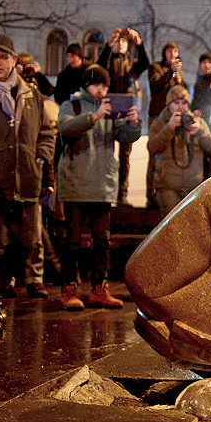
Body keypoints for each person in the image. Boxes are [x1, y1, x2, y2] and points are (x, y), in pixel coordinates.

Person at [56, 65, 141, 310]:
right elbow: (66, 128)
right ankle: (69, 288)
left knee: (102, 242)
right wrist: (94, 116)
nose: (100, 89)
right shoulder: (70, 106)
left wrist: (133, 124)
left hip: (103, 184)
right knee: (72, 242)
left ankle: (99, 288)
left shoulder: (110, 109)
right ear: (85, 85)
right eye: (96, 85)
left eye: (104, 85)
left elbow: (125, 136)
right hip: (75, 184)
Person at [0, 32, 56, 337]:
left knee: (28, 243)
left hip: (27, 181)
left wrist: (42, 157)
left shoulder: (32, 95)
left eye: (3, 57)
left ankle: (0, 286)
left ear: (15, 61)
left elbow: (46, 131)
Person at [97, 27, 149, 204]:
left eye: (123, 42)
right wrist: (108, 43)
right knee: (105, 150)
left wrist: (139, 42)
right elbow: (99, 64)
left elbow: (146, 63)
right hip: (109, 105)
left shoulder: (132, 64)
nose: (120, 45)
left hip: (126, 106)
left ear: (128, 47)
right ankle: (105, 191)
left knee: (125, 154)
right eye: (117, 42)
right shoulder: (107, 62)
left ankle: (123, 193)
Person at [148, 86, 211, 216]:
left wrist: (199, 132)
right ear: (169, 105)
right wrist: (169, 128)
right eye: (176, 103)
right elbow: (152, 148)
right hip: (168, 187)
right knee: (171, 227)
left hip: (193, 187)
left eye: (184, 103)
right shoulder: (160, 123)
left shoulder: (197, 122)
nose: (180, 107)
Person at [146, 42, 184, 207]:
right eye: (169, 51)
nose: (172, 54)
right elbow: (155, 84)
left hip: (174, 117)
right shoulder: (156, 67)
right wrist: (171, 72)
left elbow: (182, 92)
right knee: (155, 154)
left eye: (175, 51)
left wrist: (179, 78)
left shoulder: (178, 72)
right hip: (157, 116)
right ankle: (151, 194)